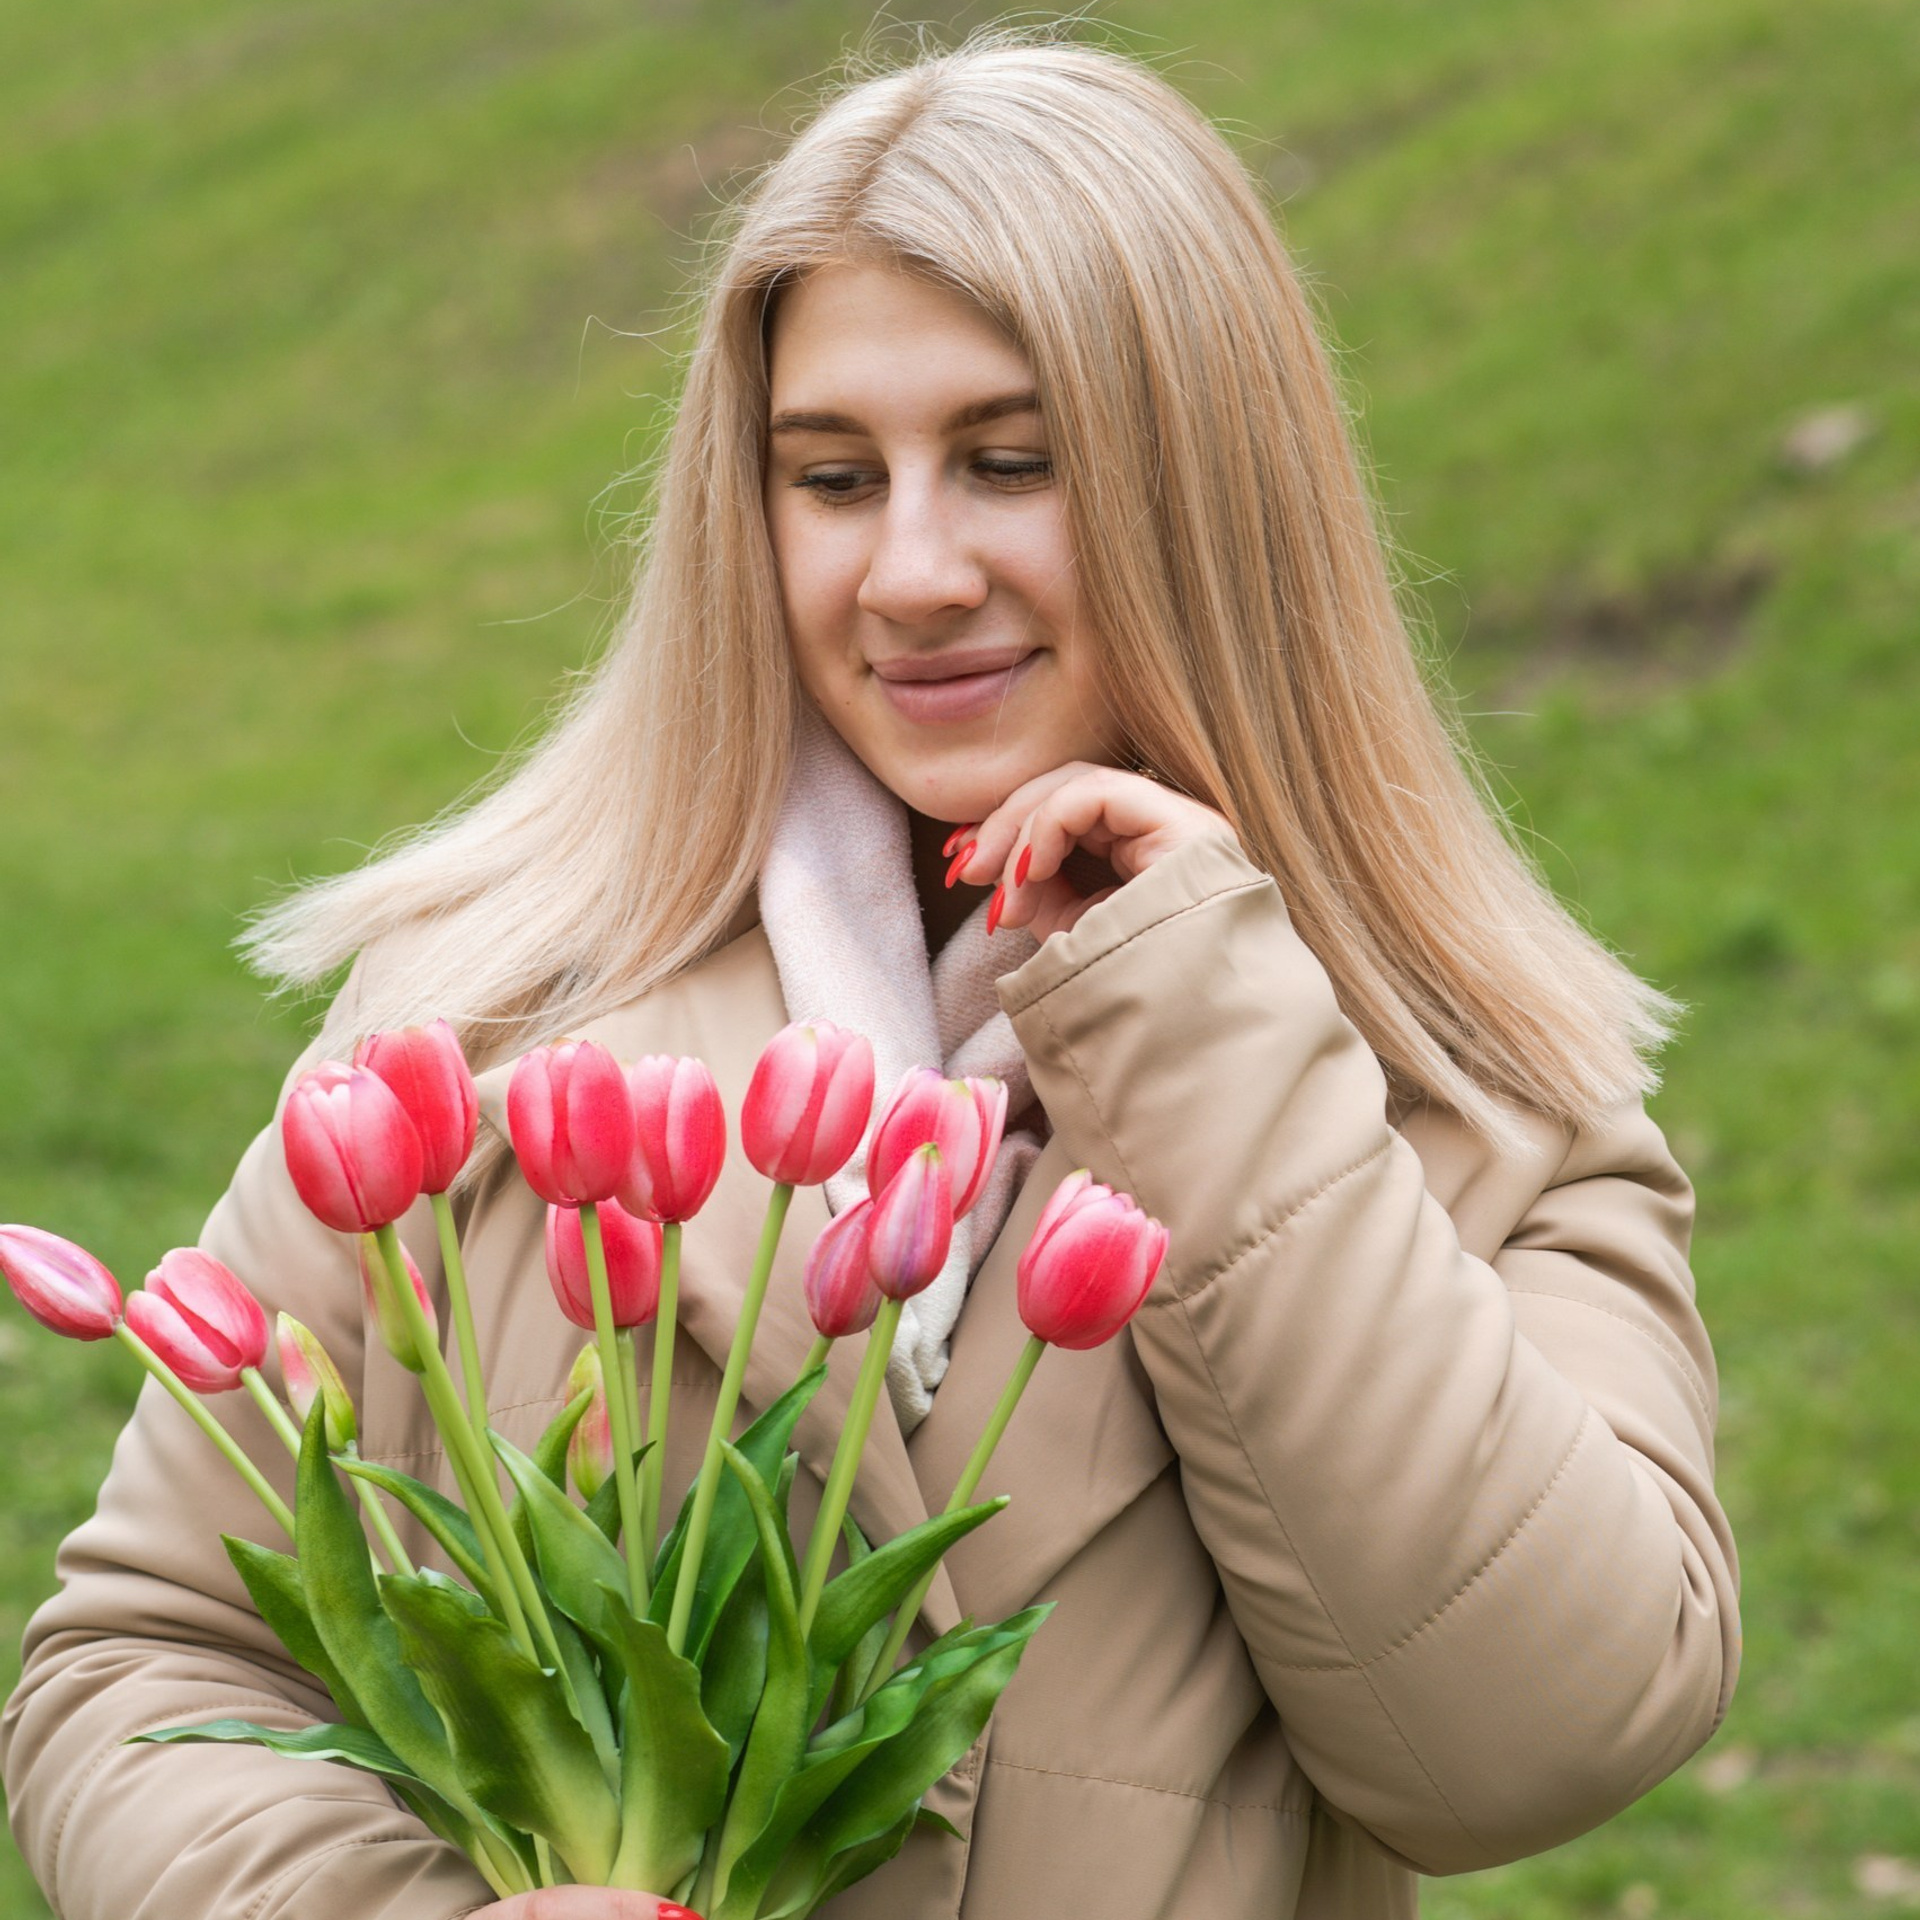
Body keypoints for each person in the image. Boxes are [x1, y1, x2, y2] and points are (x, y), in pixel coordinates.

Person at [0, 30, 1740, 1920]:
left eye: (1011, 463)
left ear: (1209, 493)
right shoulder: (489, 1028)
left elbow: (1530, 1742)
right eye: (833, 478)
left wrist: (1201, 1015)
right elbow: (140, 1670)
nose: (910, 572)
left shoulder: (1472, 1089)